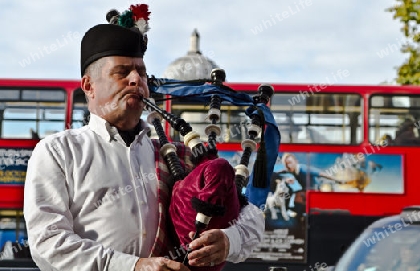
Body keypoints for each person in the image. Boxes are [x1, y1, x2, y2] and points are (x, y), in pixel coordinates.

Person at [23, 7, 264, 271]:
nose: (136, 80)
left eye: (141, 72)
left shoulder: (175, 153)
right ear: (89, 86)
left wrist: (231, 240)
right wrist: (133, 266)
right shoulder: (58, 152)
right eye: (122, 72)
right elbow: (48, 243)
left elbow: (253, 219)